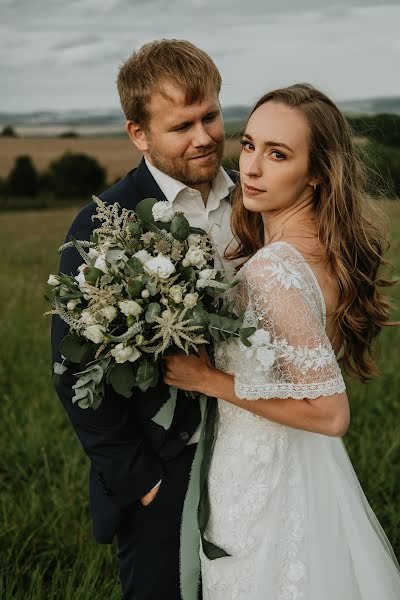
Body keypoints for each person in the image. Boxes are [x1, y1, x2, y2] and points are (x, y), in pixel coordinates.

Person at [163, 83, 400, 599]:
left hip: (261, 480)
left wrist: (208, 378)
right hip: (293, 469)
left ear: (316, 173)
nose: (250, 167)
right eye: (248, 145)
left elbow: (331, 414)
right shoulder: (321, 252)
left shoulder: (275, 269)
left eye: (278, 155)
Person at [51, 39, 238, 600]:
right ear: (139, 133)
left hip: (254, 446)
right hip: (162, 465)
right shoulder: (101, 226)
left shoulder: (255, 199)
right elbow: (70, 368)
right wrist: (141, 481)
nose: (203, 136)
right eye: (182, 125)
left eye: (210, 115)